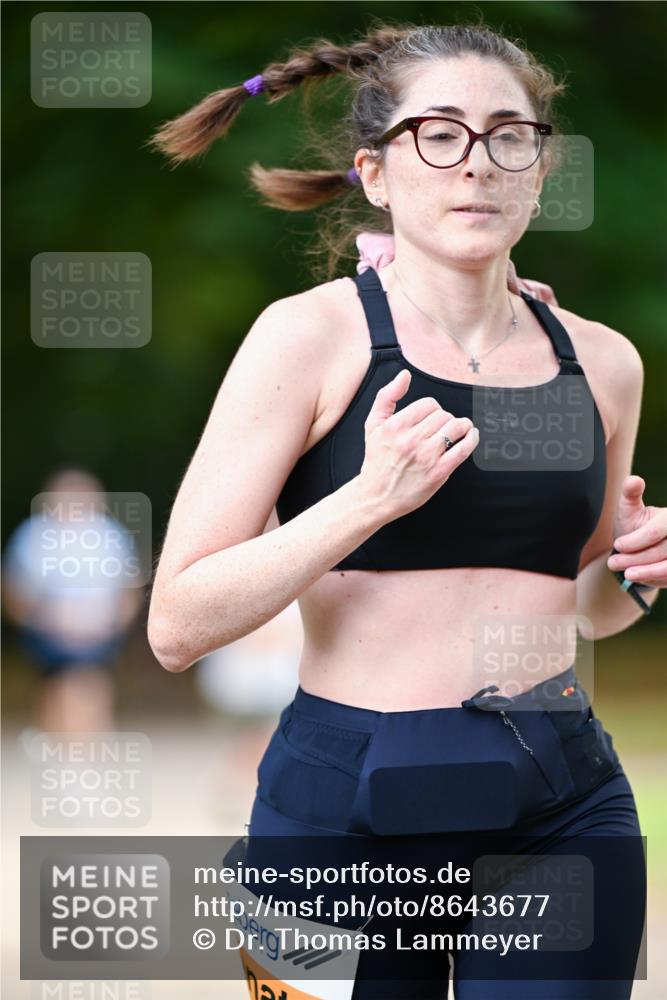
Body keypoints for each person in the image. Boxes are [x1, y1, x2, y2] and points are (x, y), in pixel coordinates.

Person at [147, 19, 664, 999]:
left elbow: (583, 603)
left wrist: (636, 569)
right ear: (376, 172)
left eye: (508, 134)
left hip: (558, 799)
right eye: (439, 133)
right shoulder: (308, 342)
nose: (475, 163)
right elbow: (178, 624)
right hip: (344, 809)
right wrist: (364, 501)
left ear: (538, 169)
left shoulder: (601, 364)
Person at [3, 467, 144, 734]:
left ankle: (87, 741)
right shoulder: (34, 536)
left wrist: (114, 624)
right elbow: (16, 588)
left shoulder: (110, 535)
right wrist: (41, 621)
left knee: (88, 683)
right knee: (61, 687)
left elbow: (129, 587)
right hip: (48, 631)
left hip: (99, 630)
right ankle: (64, 742)